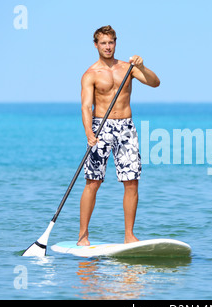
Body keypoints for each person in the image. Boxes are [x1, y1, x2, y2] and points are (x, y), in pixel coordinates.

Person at [77, 25, 160, 246]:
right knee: (93, 181)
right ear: (96, 45)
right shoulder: (90, 74)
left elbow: (155, 83)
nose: (107, 46)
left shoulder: (128, 68)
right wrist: (89, 132)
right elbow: (86, 107)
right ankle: (83, 235)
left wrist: (143, 66)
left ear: (115, 43)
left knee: (132, 182)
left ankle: (129, 236)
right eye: (103, 43)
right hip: (100, 128)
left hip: (126, 128)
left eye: (111, 42)